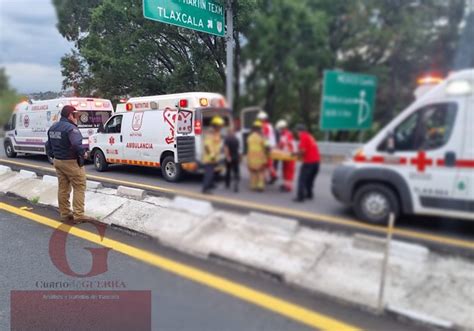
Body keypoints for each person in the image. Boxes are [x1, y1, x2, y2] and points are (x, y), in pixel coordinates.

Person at [45, 105, 94, 223]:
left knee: (63, 188)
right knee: (79, 186)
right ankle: (79, 214)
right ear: (69, 115)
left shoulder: (53, 127)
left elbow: (48, 145)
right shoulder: (71, 129)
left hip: (58, 161)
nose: (76, 118)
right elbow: (77, 145)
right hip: (71, 162)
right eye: (75, 115)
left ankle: (65, 213)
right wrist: (84, 154)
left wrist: (53, 155)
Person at [294, 124, 320, 202]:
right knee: (309, 180)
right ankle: (309, 194)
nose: (297, 134)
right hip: (316, 162)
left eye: (297, 132)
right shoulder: (310, 136)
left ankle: (300, 197)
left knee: (302, 180)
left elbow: (302, 150)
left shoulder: (303, 137)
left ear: (299, 131)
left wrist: (296, 155)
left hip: (309, 162)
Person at [202, 116, 224, 194]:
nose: (221, 127)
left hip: (214, 157)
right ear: (215, 125)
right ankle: (205, 188)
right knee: (209, 174)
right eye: (219, 126)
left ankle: (211, 184)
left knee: (213, 172)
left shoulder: (216, 133)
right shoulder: (210, 134)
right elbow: (207, 146)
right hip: (209, 158)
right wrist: (211, 155)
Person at [246, 120, 269, 192]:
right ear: (259, 129)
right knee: (261, 172)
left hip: (251, 158)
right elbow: (267, 146)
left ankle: (253, 186)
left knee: (253, 172)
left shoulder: (249, 137)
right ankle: (260, 186)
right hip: (260, 158)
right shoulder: (262, 137)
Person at [257, 111, 278, 184]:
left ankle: (273, 175)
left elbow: (265, 137)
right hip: (271, 145)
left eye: (259, 119)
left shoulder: (264, 126)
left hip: (267, 146)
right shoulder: (269, 125)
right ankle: (267, 177)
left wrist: (265, 147)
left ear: (262, 119)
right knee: (267, 162)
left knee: (267, 162)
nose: (259, 120)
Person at [275, 119, 295, 192]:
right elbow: (280, 144)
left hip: (290, 155)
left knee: (289, 171)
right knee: (284, 169)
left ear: (283, 128)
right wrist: (276, 147)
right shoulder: (283, 134)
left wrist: (277, 148)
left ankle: (288, 186)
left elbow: (284, 144)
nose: (279, 130)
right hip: (285, 155)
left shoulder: (287, 134)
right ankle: (285, 184)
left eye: (280, 129)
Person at [224, 126, 240, 192]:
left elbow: (226, 148)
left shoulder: (227, 139)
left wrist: (227, 157)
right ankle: (236, 183)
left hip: (230, 157)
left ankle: (227, 184)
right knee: (236, 171)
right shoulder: (236, 139)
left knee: (228, 171)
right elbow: (238, 149)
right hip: (236, 157)